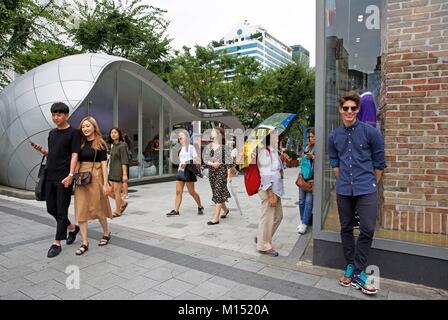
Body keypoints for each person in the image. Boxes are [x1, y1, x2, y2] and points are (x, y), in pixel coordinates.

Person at [328, 91, 386, 295]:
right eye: (346, 108)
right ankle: (350, 266)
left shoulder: (371, 133)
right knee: (345, 228)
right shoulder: (334, 136)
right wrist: (343, 180)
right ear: (340, 110)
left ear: (358, 109)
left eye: (353, 108)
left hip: (366, 189)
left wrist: (370, 183)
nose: (350, 111)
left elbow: (379, 164)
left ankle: (360, 271)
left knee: (367, 228)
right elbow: (335, 162)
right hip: (344, 190)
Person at [31, 102, 81, 258]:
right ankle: (72, 228)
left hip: (64, 177)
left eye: (59, 114)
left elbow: (74, 155)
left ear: (66, 115)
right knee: (50, 208)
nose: (55, 117)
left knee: (61, 209)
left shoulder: (73, 133)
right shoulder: (52, 133)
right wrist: (44, 151)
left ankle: (57, 242)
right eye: (53, 114)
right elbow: (54, 154)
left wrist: (71, 175)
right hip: (50, 175)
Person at [73, 117, 113, 255]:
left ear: (94, 127)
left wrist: (106, 183)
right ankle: (85, 242)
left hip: (95, 177)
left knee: (98, 207)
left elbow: (103, 164)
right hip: (81, 179)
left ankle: (106, 233)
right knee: (81, 209)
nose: (85, 129)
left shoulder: (100, 143)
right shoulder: (80, 143)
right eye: (83, 126)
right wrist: (73, 175)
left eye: (88, 126)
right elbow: (77, 161)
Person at [254, 131, 285, 257]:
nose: (277, 137)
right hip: (269, 190)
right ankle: (264, 245)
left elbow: (277, 170)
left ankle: (262, 238)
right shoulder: (264, 152)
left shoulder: (273, 151)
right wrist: (270, 194)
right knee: (267, 217)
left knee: (278, 216)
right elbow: (265, 175)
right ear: (268, 137)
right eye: (274, 135)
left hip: (276, 189)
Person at [166, 131, 204, 217]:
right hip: (181, 171)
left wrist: (186, 163)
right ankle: (176, 210)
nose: (179, 136)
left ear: (186, 137)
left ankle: (200, 206)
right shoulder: (180, 148)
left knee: (192, 192)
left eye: (181, 135)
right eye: (179, 136)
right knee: (178, 191)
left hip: (188, 171)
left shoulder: (191, 147)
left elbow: (196, 160)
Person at [203, 127, 233, 225]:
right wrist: (212, 164)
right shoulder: (209, 147)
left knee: (217, 192)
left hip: (222, 172)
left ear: (219, 134)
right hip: (212, 173)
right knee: (217, 192)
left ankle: (215, 218)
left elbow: (229, 163)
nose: (211, 133)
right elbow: (205, 159)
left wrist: (229, 176)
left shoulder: (225, 148)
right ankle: (226, 210)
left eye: (213, 131)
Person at [107, 127, 129, 218]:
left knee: (116, 192)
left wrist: (124, 174)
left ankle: (118, 211)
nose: (113, 134)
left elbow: (124, 161)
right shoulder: (113, 145)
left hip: (118, 171)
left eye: (115, 132)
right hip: (111, 171)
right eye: (111, 133)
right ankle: (123, 203)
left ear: (119, 134)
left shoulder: (122, 145)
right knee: (108, 191)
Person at [297, 128, 315, 235]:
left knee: (309, 202)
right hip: (303, 177)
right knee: (301, 201)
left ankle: (304, 224)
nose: (312, 138)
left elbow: (324, 161)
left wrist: (313, 157)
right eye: (310, 136)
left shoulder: (319, 147)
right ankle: (302, 220)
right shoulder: (307, 147)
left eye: (313, 136)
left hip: (312, 179)